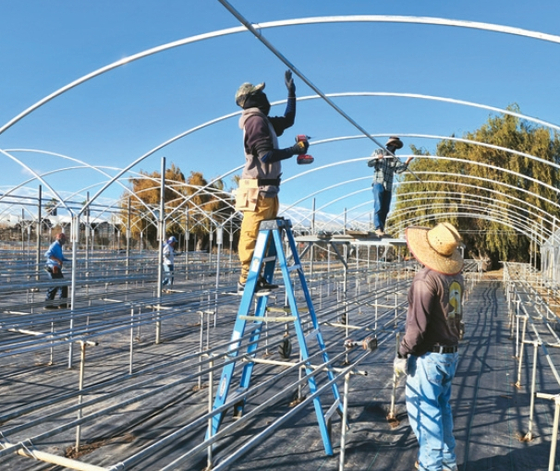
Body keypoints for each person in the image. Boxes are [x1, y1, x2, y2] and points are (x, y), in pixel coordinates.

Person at [393, 222, 464, 471]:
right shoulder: (454, 276)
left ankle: (430, 466)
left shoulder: (426, 279)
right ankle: (447, 462)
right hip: (450, 354)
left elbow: (416, 328)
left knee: (425, 414)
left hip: (429, 357)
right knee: (442, 409)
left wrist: (402, 352)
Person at [234, 70, 308, 295]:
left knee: (263, 237)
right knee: (251, 235)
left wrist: (291, 94)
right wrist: (294, 150)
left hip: (269, 190)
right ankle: (246, 280)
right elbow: (266, 155)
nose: (265, 98)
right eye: (259, 94)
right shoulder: (255, 121)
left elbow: (288, 120)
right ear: (250, 100)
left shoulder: (262, 120)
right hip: (257, 190)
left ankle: (258, 277)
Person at [367, 136, 413, 237]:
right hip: (379, 182)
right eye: (393, 144)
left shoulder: (395, 159)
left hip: (388, 185)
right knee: (378, 205)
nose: (394, 146)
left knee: (386, 208)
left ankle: (381, 228)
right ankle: (377, 227)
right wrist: (376, 158)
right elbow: (369, 163)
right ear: (389, 144)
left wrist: (407, 161)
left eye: (396, 145)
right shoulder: (379, 151)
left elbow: (399, 170)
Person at [44, 232, 71, 309]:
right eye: (64, 240)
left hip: (56, 268)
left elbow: (61, 258)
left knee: (61, 285)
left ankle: (62, 304)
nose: (64, 242)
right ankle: (49, 304)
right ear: (60, 239)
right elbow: (47, 254)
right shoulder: (55, 245)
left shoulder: (59, 247)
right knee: (55, 285)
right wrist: (57, 260)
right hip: (52, 267)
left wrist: (70, 261)